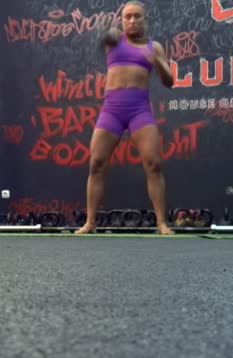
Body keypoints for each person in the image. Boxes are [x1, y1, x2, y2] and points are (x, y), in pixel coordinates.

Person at [75, 1, 175, 235]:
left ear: (144, 19)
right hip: (112, 111)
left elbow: (169, 81)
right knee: (96, 163)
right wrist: (106, 32)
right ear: (121, 20)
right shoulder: (115, 40)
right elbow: (106, 37)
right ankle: (90, 223)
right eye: (127, 16)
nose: (131, 20)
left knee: (154, 164)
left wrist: (158, 61)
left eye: (136, 16)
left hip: (140, 110)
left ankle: (161, 223)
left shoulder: (154, 47)